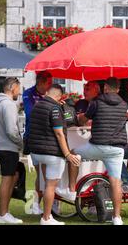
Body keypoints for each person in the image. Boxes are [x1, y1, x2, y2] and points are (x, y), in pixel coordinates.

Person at [75, 77, 128, 225]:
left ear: (105, 87)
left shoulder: (96, 102)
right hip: (117, 149)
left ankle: (70, 189)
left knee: (72, 154)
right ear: (118, 89)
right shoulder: (124, 104)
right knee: (115, 182)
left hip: (98, 146)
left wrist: (78, 117)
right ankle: (117, 218)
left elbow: (83, 121)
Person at [28, 84, 81, 225]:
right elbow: (59, 133)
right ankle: (46, 218)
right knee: (51, 186)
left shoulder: (36, 106)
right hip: (51, 153)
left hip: (36, 152)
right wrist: (68, 154)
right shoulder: (55, 108)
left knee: (47, 184)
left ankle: (47, 213)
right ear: (59, 97)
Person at [0, 78, 24, 224]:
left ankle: (4, 213)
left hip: (2, 147)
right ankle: (3, 214)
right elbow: (11, 130)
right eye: (18, 88)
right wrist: (21, 143)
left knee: (12, 177)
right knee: (7, 178)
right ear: (12, 87)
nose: (20, 91)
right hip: (7, 147)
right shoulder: (8, 104)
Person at [22, 71, 53, 215]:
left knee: (46, 175)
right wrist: (47, 104)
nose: (51, 85)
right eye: (49, 82)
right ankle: (35, 204)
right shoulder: (28, 93)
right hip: (33, 137)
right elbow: (30, 113)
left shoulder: (50, 94)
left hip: (48, 138)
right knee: (41, 174)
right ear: (40, 82)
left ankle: (40, 204)